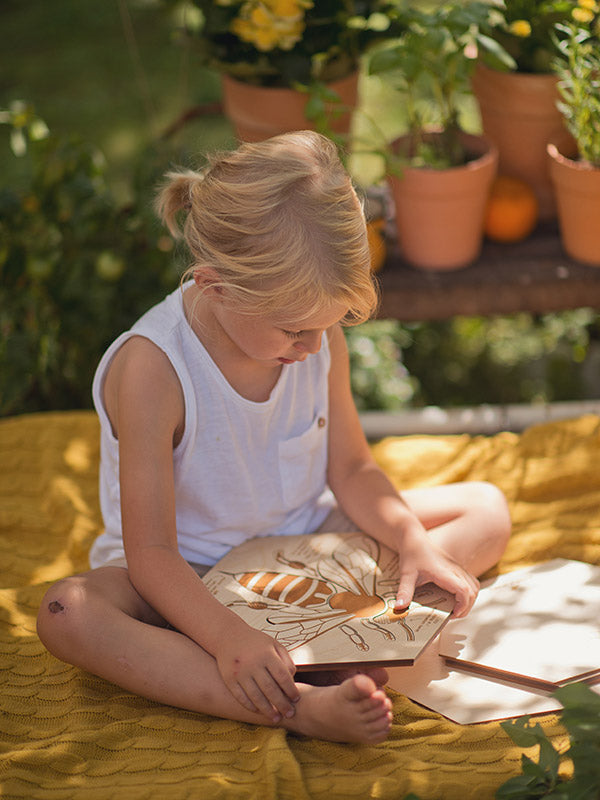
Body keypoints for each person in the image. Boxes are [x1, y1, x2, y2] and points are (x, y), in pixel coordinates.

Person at [37, 131, 511, 745]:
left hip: (306, 552)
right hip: (189, 576)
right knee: (66, 613)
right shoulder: (154, 370)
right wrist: (229, 636)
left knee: (487, 510)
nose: (314, 347)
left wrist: (408, 539)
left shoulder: (312, 332)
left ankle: (318, 649)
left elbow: (353, 471)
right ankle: (292, 702)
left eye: (327, 327)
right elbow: (151, 553)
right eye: (294, 330)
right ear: (216, 286)